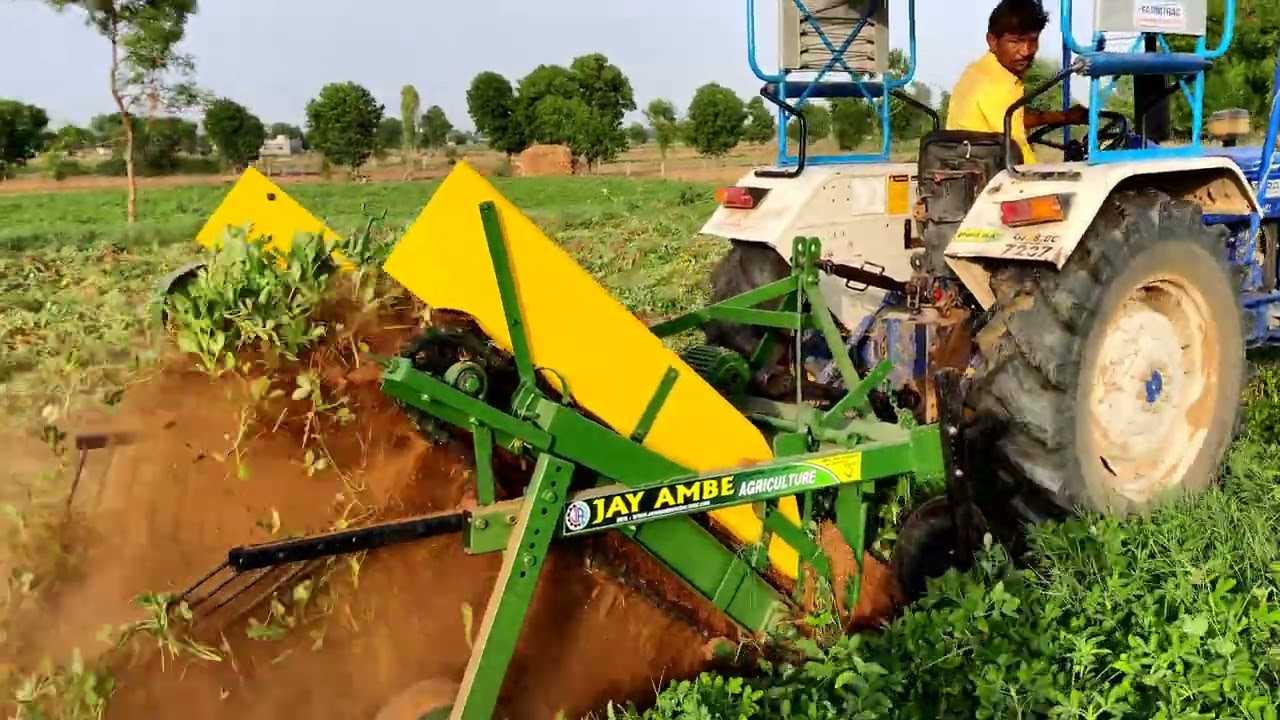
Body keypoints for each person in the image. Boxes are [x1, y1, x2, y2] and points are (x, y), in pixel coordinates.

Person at [946, 0, 1088, 164]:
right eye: (1016, 42)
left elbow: (1013, 117)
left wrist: (1063, 117)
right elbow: (1018, 150)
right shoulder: (998, 83)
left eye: (1033, 40)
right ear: (992, 41)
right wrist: (1045, 186)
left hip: (967, 166)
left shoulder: (977, 70)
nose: (1026, 51)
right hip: (987, 174)